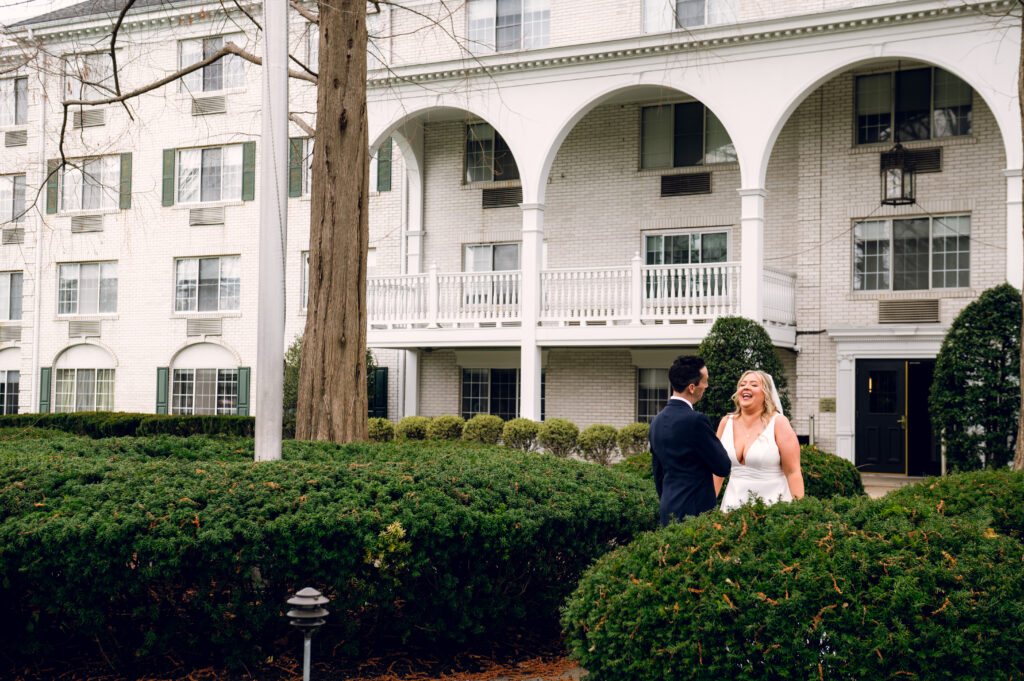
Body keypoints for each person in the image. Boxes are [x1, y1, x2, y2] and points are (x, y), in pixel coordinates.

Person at [649, 355, 732, 527]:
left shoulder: (656, 421)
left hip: (668, 507)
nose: (707, 386)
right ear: (692, 387)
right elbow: (723, 466)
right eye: (705, 381)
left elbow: (658, 471)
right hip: (696, 511)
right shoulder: (696, 421)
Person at [715, 370, 804, 512]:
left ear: (766, 393)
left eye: (754, 384)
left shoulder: (778, 423)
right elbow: (717, 471)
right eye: (742, 384)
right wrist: (704, 508)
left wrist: (799, 510)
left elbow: (793, 471)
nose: (746, 387)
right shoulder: (726, 423)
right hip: (732, 508)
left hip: (772, 508)